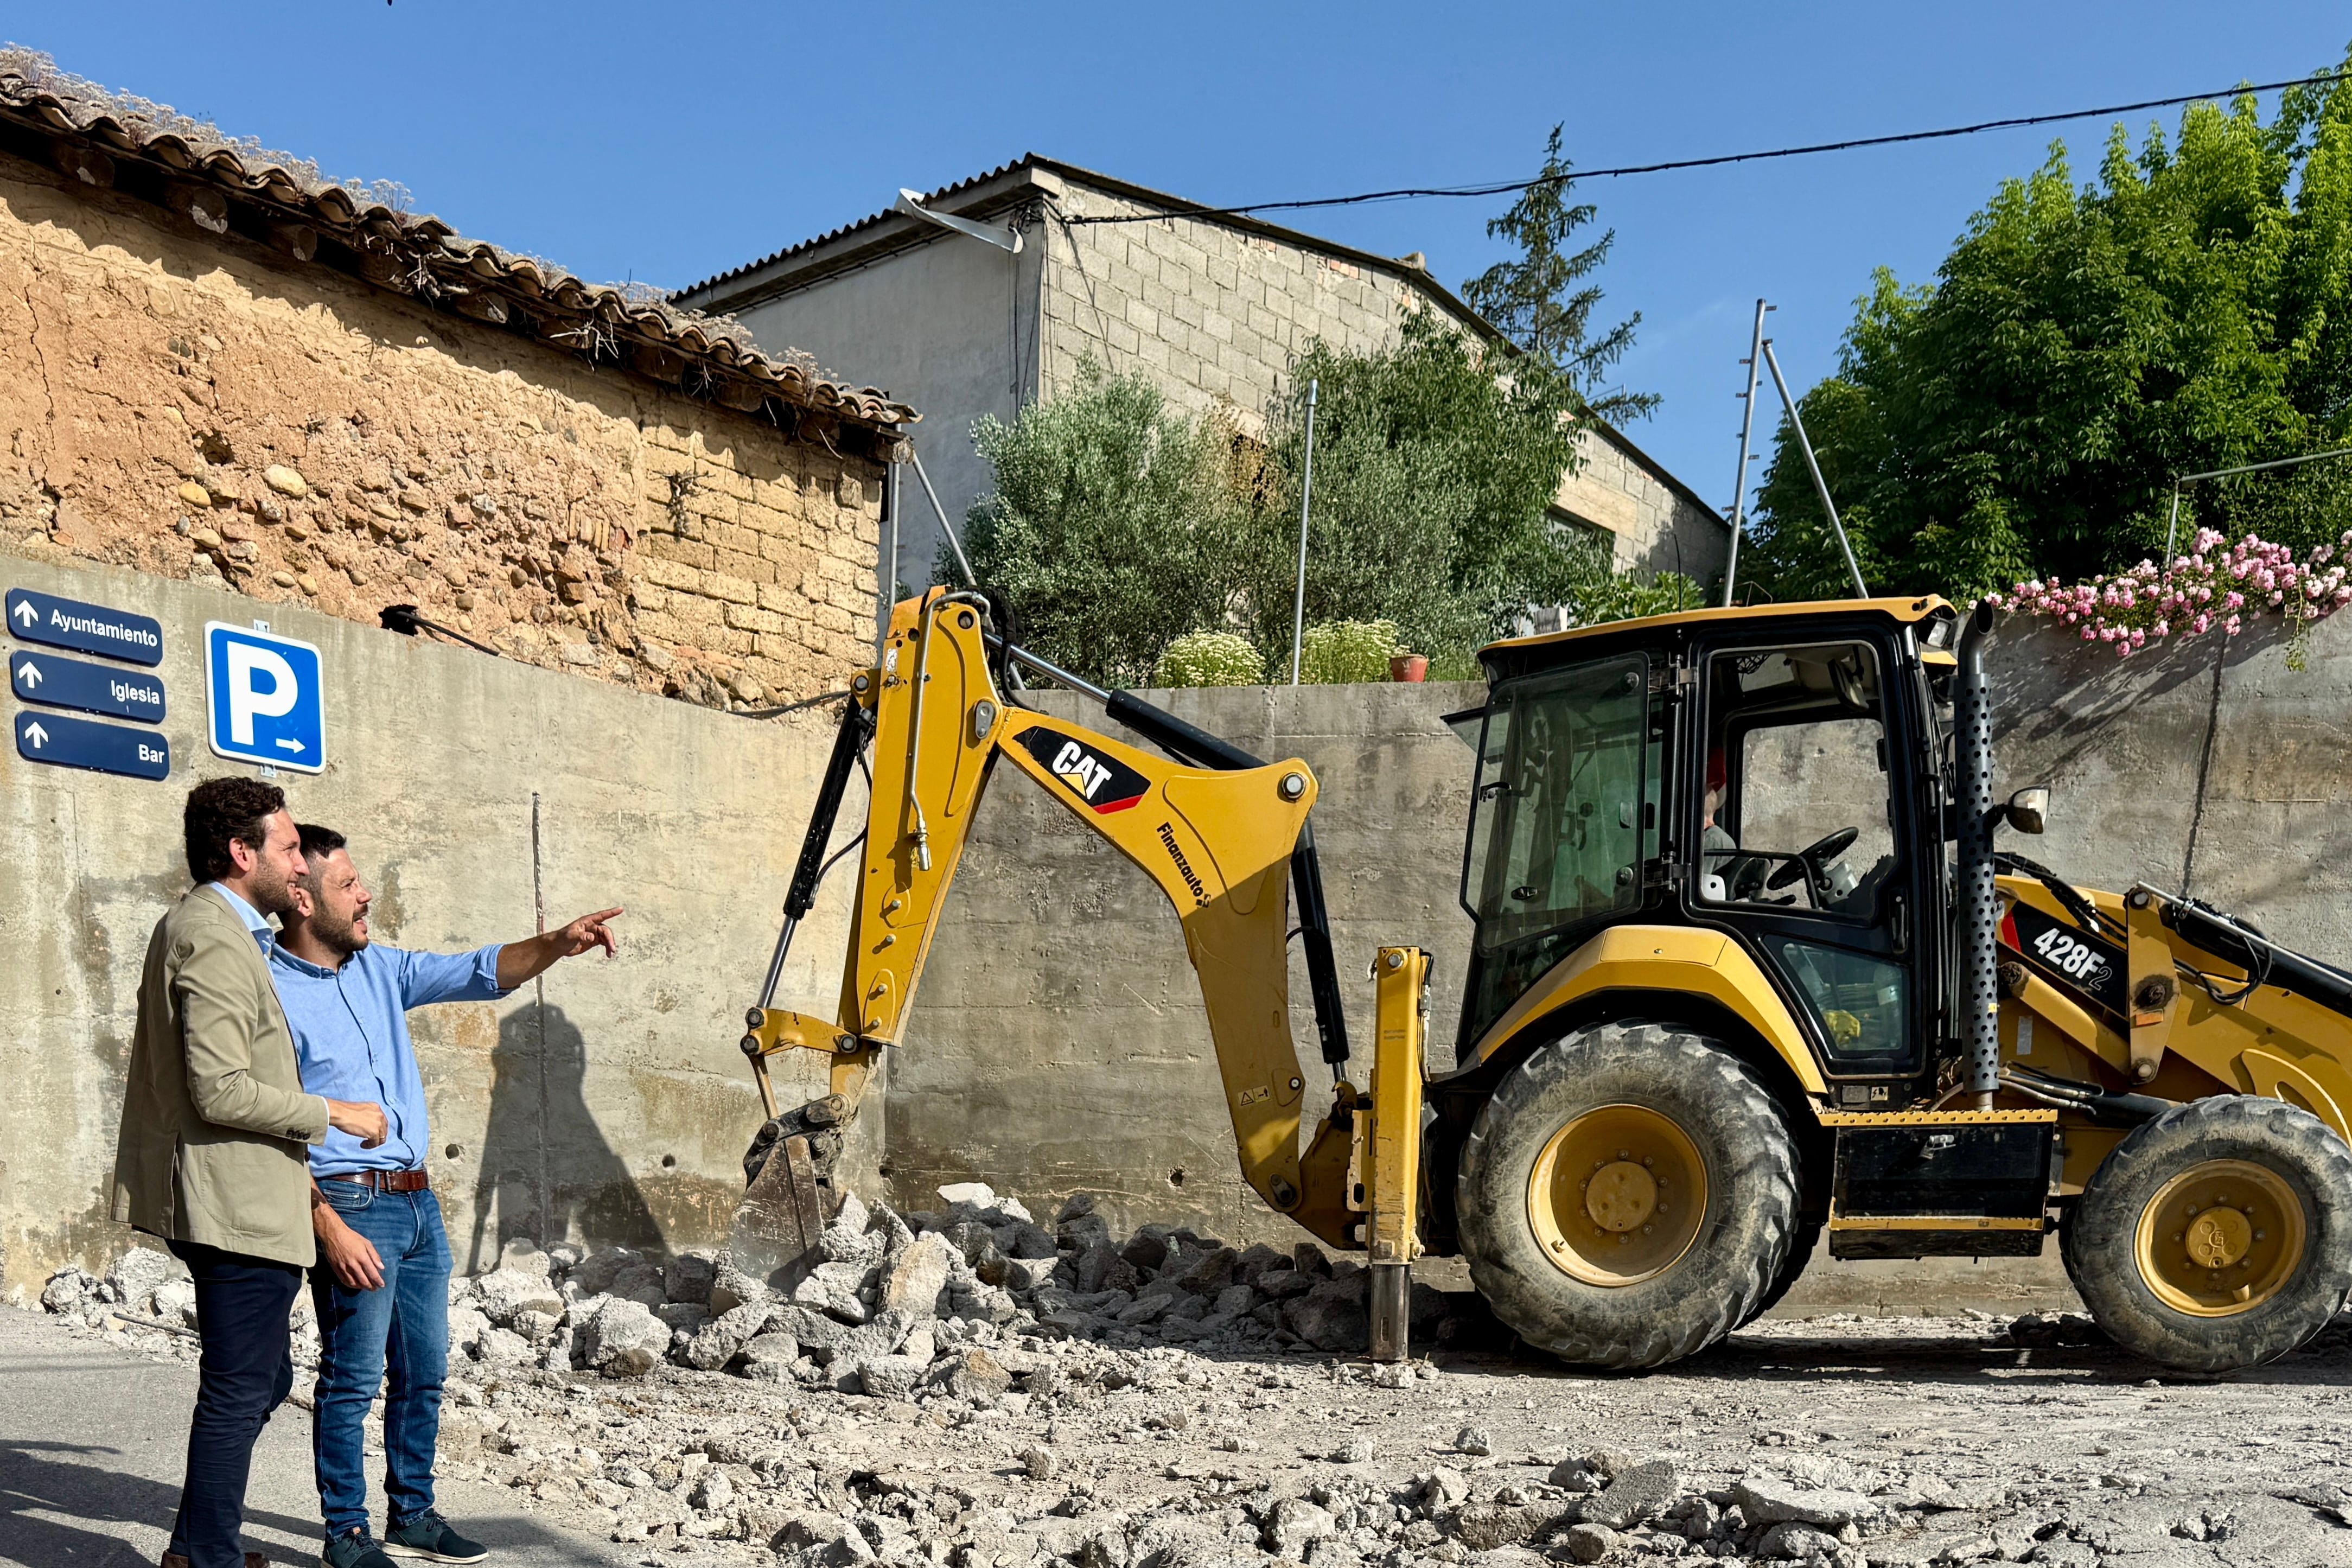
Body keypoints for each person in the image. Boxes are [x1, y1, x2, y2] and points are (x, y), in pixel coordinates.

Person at [271, 823, 621, 1568]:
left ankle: (412, 1513)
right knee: (352, 1376)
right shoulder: (267, 990)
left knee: (424, 1370)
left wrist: (558, 941)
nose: (367, 894)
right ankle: (347, 1531)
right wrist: (323, 1223)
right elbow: (268, 1126)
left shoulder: (380, 968)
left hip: (418, 1202)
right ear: (299, 896)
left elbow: (480, 968)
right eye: (349, 885)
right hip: (346, 1202)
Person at [112, 779, 390, 1568]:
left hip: (246, 1200)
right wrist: (337, 1112)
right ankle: (205, 1557)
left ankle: (197, 1547)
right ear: (243, 853)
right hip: (235, 1201)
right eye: (288, 846)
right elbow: (219, 1085)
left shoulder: (223, 930)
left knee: (260, 1380)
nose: (300, 863)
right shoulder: (211, 935)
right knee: (238, 1391)